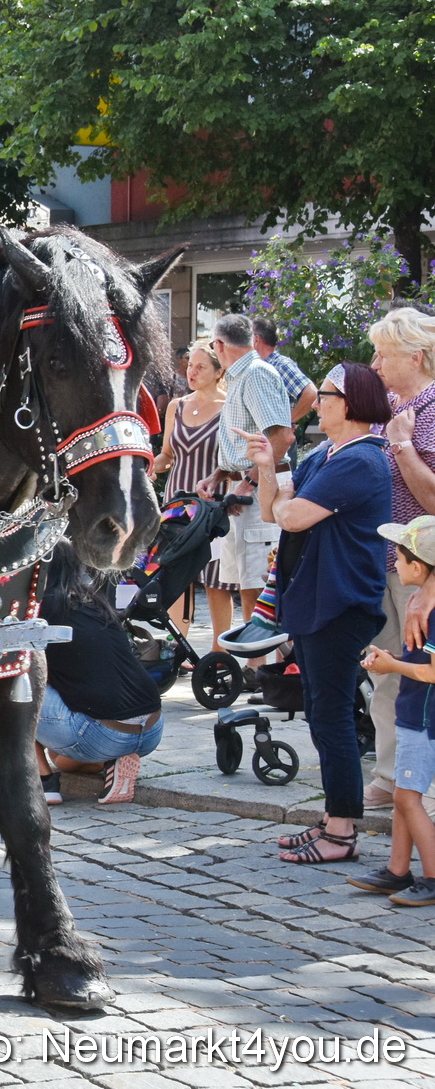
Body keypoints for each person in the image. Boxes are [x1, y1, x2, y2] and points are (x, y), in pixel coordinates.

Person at [246, 362, 392, 864]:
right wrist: (269, 467)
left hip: (341, 604)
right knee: (323, 714)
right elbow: (274, 510)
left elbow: (292, 515)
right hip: (316, 602)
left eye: (325, 395)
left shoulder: (361, 460)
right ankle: (333, 819)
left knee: (332, 717)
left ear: (347, 404)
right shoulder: (325, 454)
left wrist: (288, 498)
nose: (316, 403)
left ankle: (343, 831)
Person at [364, 305, 435, 810]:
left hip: (422, 567)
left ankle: (415, 780)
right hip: (380, 559)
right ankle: (391, 777)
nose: (375, 364)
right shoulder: (385, 404)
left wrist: (403, 446)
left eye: (383, 354)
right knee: (384, 669)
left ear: (416, 356)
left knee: (420, 672)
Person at [32, 545, 164, 806]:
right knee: (63, 761)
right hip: (152, 728)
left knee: (7, 685)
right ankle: (113, 762)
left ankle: (42, 782)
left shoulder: (41, 609)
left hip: (103, 733)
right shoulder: (96, 601)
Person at [198, 314, 295, 641]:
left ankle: (267, 664)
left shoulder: (255, 374)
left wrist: (248, 483)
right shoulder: (240, 375)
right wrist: (217, 476)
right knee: (247, 586)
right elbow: (245, 443)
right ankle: (258, 664)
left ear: (219, 345)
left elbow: (281, 438)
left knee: (260, 587)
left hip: (261, 488)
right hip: (245, 486)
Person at [355, 516, 435, 906]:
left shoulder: (431, 614)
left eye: (399, 559)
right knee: (404, 797)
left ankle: (433, 877)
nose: (394, 565)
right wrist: (393, 661)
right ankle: (397, 870)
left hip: (423, 720)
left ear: (417, 568)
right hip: (413, 716)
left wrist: (393, 666)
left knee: (407, 799)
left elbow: (431, 672)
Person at [154, 342, 238, 647]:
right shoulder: (176, 406)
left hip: (212, 504)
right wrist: (149, 466)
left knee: (216, 581)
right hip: (177, 503)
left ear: (218, 372)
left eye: (201, 367)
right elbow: (167, 455)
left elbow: (235, 458)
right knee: (176, 576)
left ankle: (220, 651)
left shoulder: (230, 407)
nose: (192, 371)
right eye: (190, 365)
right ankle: (178, 647)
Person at [252, 317, 318, 425]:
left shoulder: (280, 365)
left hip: (275, 435)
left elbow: (311, 394)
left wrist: (286, 424)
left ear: (256, 339)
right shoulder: (258, 367)